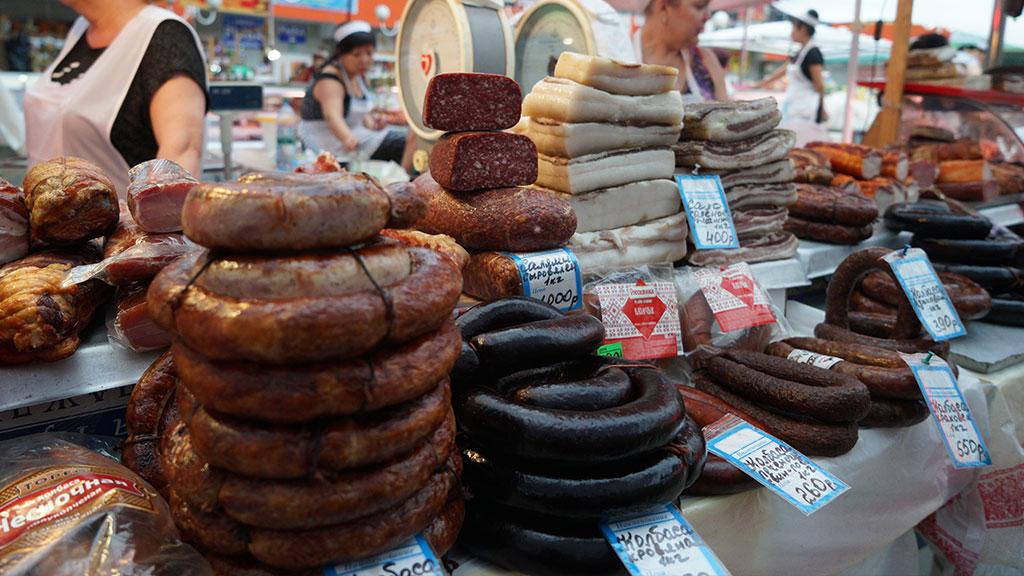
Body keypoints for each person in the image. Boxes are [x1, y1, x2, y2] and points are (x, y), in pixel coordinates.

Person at [24, 0, 207, 194]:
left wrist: (160, 209)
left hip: (118, 212)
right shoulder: (81, 30)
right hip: (44, 208)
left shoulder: (166, 36)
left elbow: (182, 153)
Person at [299, 21, 413, 171]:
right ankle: (404, 176)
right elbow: (332, 117)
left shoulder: (358, 77)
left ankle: (404, 177)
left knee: (411, 139)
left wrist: (373, 122)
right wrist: (349, 140)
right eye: (356, 54)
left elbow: (360, 116)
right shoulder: (330, 80)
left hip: (358, 140)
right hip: (330, 147)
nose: (364, 60)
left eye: (369, 53)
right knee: (405, 143)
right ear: (341, 54)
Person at [635, 0, 728, 102]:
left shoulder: (707, 61)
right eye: (699, 6)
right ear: (663, 6)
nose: (708, 16)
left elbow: (726, 110)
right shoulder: (624, 57)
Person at [758, 10, 827, 144]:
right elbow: (783, 70)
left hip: (807, 111)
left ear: (803, 30)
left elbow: (820, 86)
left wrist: (822, 109)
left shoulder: (813, 54)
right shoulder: (799, 52)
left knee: (802, 144)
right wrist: (761, 83)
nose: (792, 33)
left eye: (794, 28)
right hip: (794, 107)